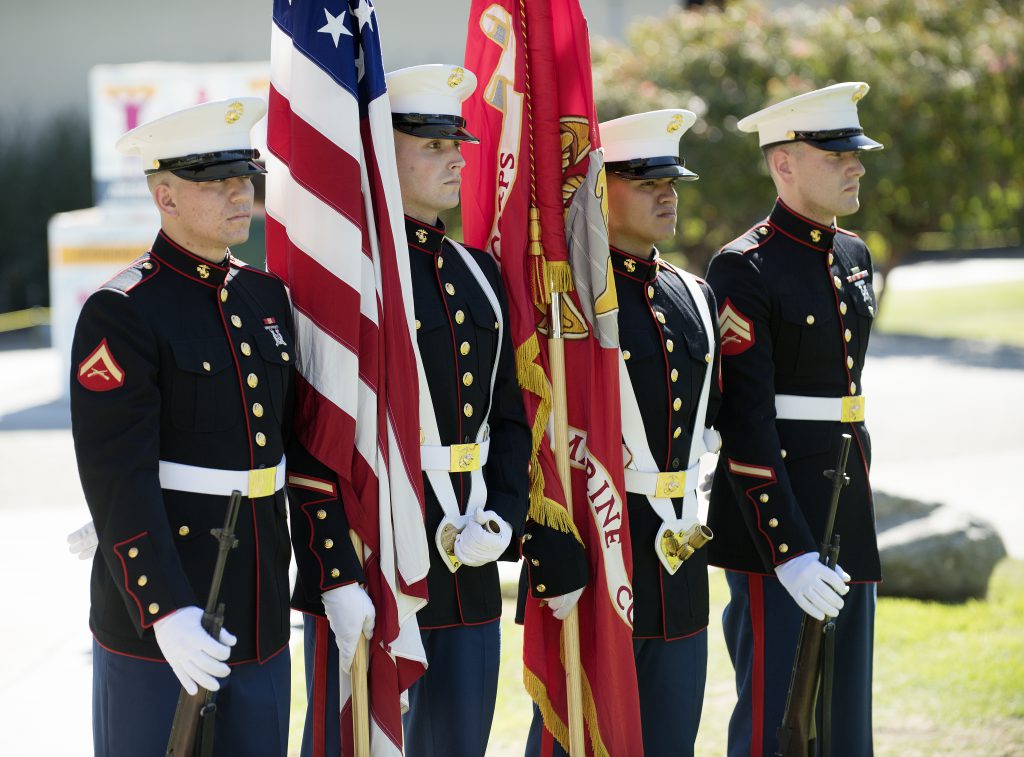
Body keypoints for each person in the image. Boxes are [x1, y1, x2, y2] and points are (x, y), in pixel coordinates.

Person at [291, 63, 587, 757]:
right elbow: (315, 434)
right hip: (382, 552)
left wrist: (506, 516)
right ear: (381, 155)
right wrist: (335, 567)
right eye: (431, 145)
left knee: (459, 742)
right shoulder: (349, 276)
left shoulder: (478, 271)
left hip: (470, 552)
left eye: (457, 143)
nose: (456, 157)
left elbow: (511, 418)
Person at [69, 97, 293, 755]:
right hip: (161, 621)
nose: (238, 193)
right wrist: (165, 609)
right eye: (214, 181)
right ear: (165, 196)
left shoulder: (266, 298)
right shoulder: (122, 311)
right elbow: (117, 477)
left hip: (260, 613)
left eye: (243, 177)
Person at [524, 109, 722, 756]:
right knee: (579, 735)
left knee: (672, 737)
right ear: (601, 189)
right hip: (596, 543)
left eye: (673, 179)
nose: (667, 192)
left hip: (678, 551)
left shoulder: (693, 293)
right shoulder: (567, 304)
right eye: (645, 179)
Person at [705, 82, 884, 757]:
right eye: (836, 153)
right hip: (775, 526)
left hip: (848, 508)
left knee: (844, 722)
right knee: (775, 721)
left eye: (855, 152)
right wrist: (789, 548)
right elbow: (747, 423)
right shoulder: (743, 266)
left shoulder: (854, 257)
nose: (856, 165)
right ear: (784, 164)